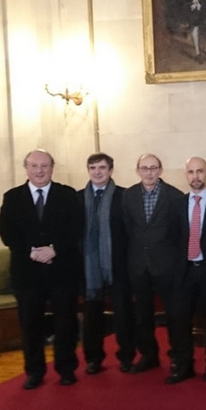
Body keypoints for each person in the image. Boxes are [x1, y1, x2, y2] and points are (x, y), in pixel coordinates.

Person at [0, 149, 81, 389]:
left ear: (52, 168)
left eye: (44, 165)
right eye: (34, 166)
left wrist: (55, 249)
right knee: (30, 325)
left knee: (65, 324)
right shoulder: (12, 197)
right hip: (27, 274)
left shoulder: (67, 195)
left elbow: (75, 228)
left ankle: (66, 369)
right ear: (26, 169)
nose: (39, 170)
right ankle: (34, 372)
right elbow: (7, 232)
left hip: (62, 271)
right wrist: (31, 251)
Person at [122, 154, 185, 375]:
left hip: (166, 265)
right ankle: (149, 355)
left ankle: (177, 357)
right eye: (144, 168)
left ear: (160, 170)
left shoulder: (175, 196)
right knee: (142, 314)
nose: (149, 172)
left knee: (173, 314)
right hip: (139, 264)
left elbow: (179, 234)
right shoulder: (128, 196)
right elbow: (128, 229)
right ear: (137, 170)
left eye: (153, 168)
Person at [166, 157, 206, 384]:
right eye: (191, 172)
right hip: (185, 271)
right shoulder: (177, 204)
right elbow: (173, 238)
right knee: (180, 319)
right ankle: (184, 365)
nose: (195, 177)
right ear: (186, 175)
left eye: (199, 171)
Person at [78, 153, 132, 375]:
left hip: (117, 267)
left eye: (102, 167)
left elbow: (130, 233)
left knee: (124, 316)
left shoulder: (124, 196)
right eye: (92, 168)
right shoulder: (78, 198)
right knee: (91, 318)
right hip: (89, 270)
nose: (97, 172)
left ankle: (127, 358)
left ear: (111, 170)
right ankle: (93, 359)